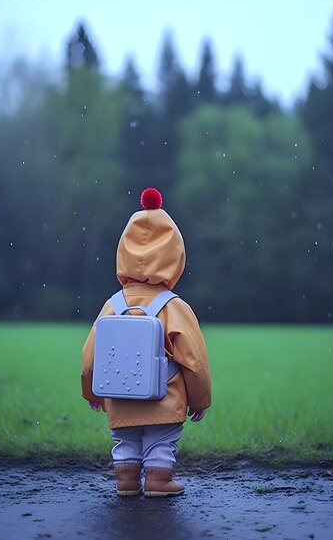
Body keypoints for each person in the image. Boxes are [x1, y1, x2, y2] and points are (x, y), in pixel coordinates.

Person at [81, 187, 211, 497]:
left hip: (119, 395)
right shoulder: (175, 307)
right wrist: (200, 399)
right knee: (161, 440)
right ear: (175, 256)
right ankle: (158, 481)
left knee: (125, 440)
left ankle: (126, 480)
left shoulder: (112, 305)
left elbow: (90, 356)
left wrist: (91, 391)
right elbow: (193, 360)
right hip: (163, 398)